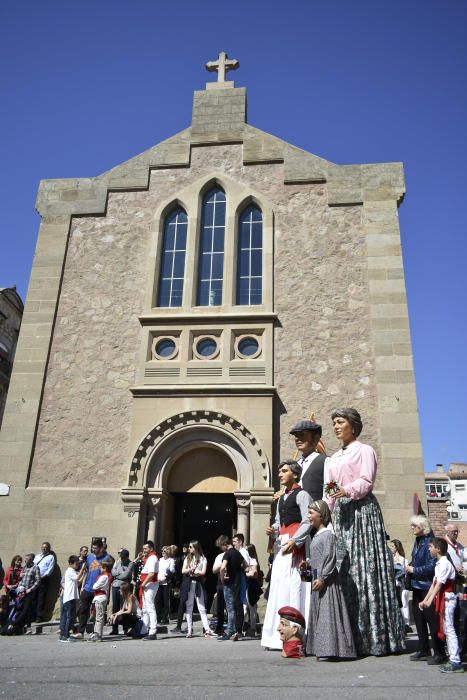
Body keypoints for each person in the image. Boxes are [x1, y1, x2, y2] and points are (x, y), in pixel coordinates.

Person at [324, 407, 405, 656]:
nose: (337, 427)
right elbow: (328, 490)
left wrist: (346, 491)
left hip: (362, 513)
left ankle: (375, 636)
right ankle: (348, 637)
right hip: (341, 514)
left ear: (353, 425)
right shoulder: (332, 459)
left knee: (365, 570)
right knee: (344, 570)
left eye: (341, 422)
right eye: (335, 423)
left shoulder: (365, 450)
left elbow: (366, 481)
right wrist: (326, 518)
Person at [261, 460, 312, 650]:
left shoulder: (302, 494)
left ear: (295, 474)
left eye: (284, 471)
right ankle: (278, 636)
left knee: (295, 586)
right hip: (282, 545)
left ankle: (296, 635)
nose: (280, 474)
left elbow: (307, 520)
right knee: (279, 586)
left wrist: (296, 541)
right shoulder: (282, 497)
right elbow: (279, 522)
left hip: (295, 546)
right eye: (280, 471)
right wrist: (273, 530)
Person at [304, 500, 356, 660]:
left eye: (311, 513)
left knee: (328, 614)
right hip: (317, 578)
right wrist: (308, 563)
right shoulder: (318, 535)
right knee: (320, 614)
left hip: (326, 582)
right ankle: (321, 648)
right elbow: (319, 557)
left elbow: (330, 558)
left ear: (321, 515)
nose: (309, 516)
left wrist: (323, 578)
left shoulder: (328, 534)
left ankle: (332, 648)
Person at [419, 537, 464, 674]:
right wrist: (426, 600)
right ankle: (453, 658)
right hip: (444, 599)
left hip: (448, 600)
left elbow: (439, 585)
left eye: (431, 546)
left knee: (449, 630)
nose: (429, 548)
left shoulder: (444, 564)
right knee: (447, 629)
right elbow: (434, 584)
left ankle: (455, 661)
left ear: (438, 549)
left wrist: (429, 601)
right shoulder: (439, 564)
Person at [406, 515, 446, 664]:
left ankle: (439, 652)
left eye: (414, 525)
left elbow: (431, 567)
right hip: (417, 585)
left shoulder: (430, 542)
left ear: (422, 527)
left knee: (432, 621)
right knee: (419, 619)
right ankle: (424, 649)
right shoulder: (418, 541)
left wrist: (413, 570)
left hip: (427, 587)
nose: (412, 528)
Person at [73, 538, 113, 638]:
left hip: (99, 590)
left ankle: (96, 633)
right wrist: (82, 585)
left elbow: (110, 575)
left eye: (95, 548)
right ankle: (80, 632)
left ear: (101, 548)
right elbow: (86, 571)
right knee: (83, 610)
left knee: (97, 613)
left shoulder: (107, 558)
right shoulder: (90, 557)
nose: (93, 549)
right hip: (87, 588)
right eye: (92, 548)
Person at [182, 541, 215, 639]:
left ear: (196, 548)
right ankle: (189, 630)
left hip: (198, 583)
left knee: (201, 606)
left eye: (191, 547)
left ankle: (207, 629)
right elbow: (183, 571)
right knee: (189, 606)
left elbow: (203, 571)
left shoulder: (202, 558)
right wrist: (190, 569)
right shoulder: (188, 558)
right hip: (189, 583)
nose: (189, 549)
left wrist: (197, 571)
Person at [290, 419, 326, 499]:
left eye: (302, 434)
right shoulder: (295, 464)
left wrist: (322, 508)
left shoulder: (325, 461)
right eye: (296, 435)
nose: (297, 439)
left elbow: (331, 489)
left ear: (316, 438)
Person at [218, 536, 245, 641]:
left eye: (221, 546)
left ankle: (230, 631)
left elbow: (222, 567)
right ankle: (237, 631)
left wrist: (222, 579)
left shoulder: (227, 554)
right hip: (238, 582)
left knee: (230, 608)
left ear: (224, 544)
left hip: (229, 583)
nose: (221, 549)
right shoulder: (237, 553)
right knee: (237, 606)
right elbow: (245, 564)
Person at [389, 539, 411, 634]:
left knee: (404, 603)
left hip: (402, 585)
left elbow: (405, 573)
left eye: (393, 546)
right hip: (394, 585)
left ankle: (406, 624)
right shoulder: (390, 558)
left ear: (397, 547)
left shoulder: (403, 560)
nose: (391, 548)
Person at [59, 555, 83, 642]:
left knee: (67, 616)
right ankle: (65, 635)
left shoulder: (72, 571)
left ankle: (63, 634)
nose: (77, 565)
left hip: (71, 596)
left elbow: (79, 581)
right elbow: (77, 578)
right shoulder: (70, 571)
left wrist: (84, 573)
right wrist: (83, 569)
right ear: (70, 563)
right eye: (76, 564)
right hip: (69, 597)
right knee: (69, 617)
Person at [110, 549, 133, 635]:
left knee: (124, 607)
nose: (122, 559)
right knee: (115, 606)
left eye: (124, 558)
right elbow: (112, 572)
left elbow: (125, 575)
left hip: (124, 586)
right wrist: (119, 572)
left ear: (127, 557)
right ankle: (114, 628)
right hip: (115, 585)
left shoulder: (130, 563)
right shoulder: (117, 561)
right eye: (121, 557)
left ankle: (125, 628)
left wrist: (118, 573)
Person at [140, 540, 159, 641]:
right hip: (147, 585)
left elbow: (151, 574)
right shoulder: (148, 558)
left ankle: (153, 631)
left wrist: (143, 583)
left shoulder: (152, 558)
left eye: (145, 548)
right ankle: (144, 630)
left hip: (150, 585)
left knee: (150, 608)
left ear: (151, 549)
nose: (144, 550)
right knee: (145, 609)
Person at [89, 560, 113, 642]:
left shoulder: (104, 577)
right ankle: (97, 633)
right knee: (99, 616)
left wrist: (96, 585)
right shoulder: (106, 576)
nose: (100, 569)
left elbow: (95, 586)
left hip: (100, 597)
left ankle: (98, 634)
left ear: (105, 568)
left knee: (99, 617)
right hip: (101, 597)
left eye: (102, 567)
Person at [170, 543, 190, 635]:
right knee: (182, 603)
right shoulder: (181, 557)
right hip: (182, 582)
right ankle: (179, 626)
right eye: (184, 547)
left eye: (187, 547)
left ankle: (189, 627)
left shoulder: (192, 557)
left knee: (190, 604)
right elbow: (178, 571)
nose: (184, 548)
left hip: (190, 582)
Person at [33, 541, 56, 621]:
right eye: (43, 547)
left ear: (48, 549)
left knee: (41, 598)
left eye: (45, 547)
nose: (44, 548)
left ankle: (38, 616)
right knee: (33, 597)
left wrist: (43, 576)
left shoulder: (51, 557)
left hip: (43, 579)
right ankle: (31, 615)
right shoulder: (37, 556)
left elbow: (50, 569)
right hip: (34, 579)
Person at [245, 543, 262, 636]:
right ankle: (250, 627)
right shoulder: (250, 560)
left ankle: (252, 628)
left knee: (252, 607)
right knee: (249, 607)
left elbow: (255, 574)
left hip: (251, 586)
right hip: (250, 585)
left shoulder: (253, 560)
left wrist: (246, 573)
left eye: (246, 550)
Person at [155, 546, 175, 625]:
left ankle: (164, 617)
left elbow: (172, 571)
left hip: (166, 582)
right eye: (162, 551)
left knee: (165, 600)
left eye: (164, 551)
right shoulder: (160, 560)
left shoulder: (171, 560)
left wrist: (164, 578)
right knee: (158, 600)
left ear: (168, 552)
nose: (163, 552)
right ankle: (158, 617)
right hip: (158, 581)